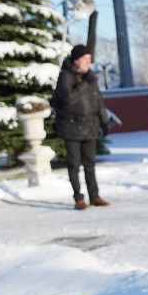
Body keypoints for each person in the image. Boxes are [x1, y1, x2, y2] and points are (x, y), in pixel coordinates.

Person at [51, 44, 110, 210]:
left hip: (90, 126)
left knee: (90, 163)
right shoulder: (65, 76)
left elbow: (98, 101)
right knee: (74, 164)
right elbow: (68, 99)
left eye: (90, 59)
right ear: (77, 60)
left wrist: (104, 121)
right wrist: (84, 84)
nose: (89, 62)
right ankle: (78, 198)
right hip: (71, 126)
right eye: (86, 59)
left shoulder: (89, 77)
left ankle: (94, 196)